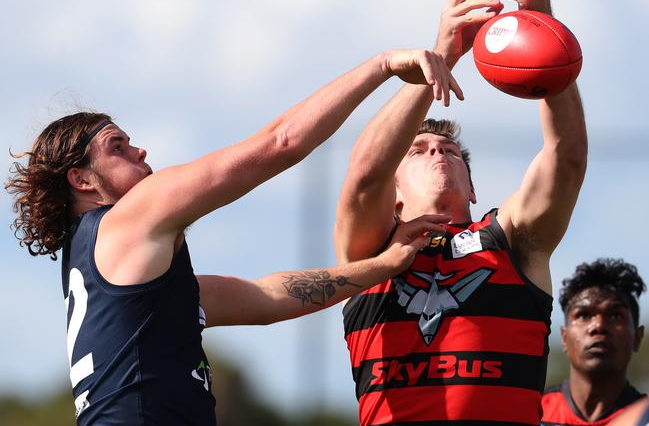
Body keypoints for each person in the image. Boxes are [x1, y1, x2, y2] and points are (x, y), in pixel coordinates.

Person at [6, 48, 460, 425]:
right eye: (117, 146)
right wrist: (380, 66)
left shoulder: (121, 273)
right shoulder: (127, 220)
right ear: (82, 180)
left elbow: (264, 298)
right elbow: (279, 143)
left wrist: (384, 264)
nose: (139, 149)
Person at [334, 0, 587, 424]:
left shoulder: (510, 241)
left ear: (473, 190)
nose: (438, 151)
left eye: (450, 150)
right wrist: (441, 56)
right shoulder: (370, 251)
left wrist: (544, 25)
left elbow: (567, 157)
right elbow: (365, 174)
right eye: (419, 150)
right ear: (395, 193)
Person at [541, 259, 646, 425]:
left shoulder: (643, 419)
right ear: (564, 338)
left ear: (637, 337)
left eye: (615, 316)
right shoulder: (532, 413)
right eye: (583, 315)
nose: (598, 326)